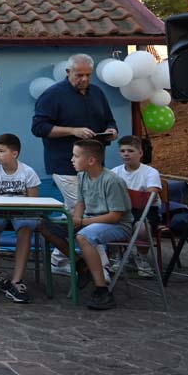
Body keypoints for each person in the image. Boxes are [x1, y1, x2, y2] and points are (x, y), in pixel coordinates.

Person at [32, 53, 117, 274]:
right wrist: (72, 131)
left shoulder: (97, 93)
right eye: (79, 75)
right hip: (64, 164)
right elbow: (39, 128)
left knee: (77, 213)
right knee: (86, 213)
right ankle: (101, 267)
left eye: (88, 75)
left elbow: (109, 119)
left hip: (94, 166)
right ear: (68, 72)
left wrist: (111, 130)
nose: (84, 79)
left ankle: (58, 259)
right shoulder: (53, 95)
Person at [38, 139, 133, 310]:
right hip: (89, 220)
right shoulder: (82, 176)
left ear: (91, 160)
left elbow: (115, 216)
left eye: (76, 156)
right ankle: (81, 265)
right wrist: (76, 219)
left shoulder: (112, 181)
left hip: (116, 225)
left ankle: (102, 290)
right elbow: (81, 202)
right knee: (44, 225)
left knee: (84, 236)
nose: (72, 160)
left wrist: (83, 222)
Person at [0, 133, 41, 304]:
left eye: (1, 151)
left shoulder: (28, 172)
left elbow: (33, 203)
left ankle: (17, 280)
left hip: (22, 213)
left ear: (14, 153)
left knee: (25, 229)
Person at [110, 135, 162, 277]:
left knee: (142, 228)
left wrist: (128, 195)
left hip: (145, 211)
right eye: (122, 151)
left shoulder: (150, 172)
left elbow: (151, 197)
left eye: (130, 151)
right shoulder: (114, 172)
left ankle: (141, 257)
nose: (126, 154)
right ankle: (116, 256)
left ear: (140, 153)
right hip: (122, 210)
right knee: (108, 222)